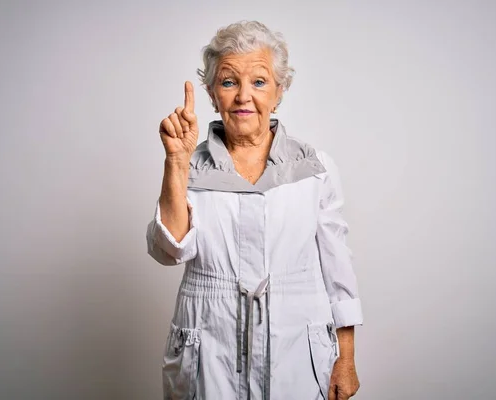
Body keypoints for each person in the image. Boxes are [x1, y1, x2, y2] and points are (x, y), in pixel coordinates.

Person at [146, 20, 363, 400]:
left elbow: (337, 268)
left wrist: (346, 359)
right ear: (213, 94)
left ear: (279, 92)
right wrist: (176, 164)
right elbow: (170, 251)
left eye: (259, 82)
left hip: (297, 348)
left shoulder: (314, 168)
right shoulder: (188, 167)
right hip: (209, 351)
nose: (244, 96)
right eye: (229, 82)